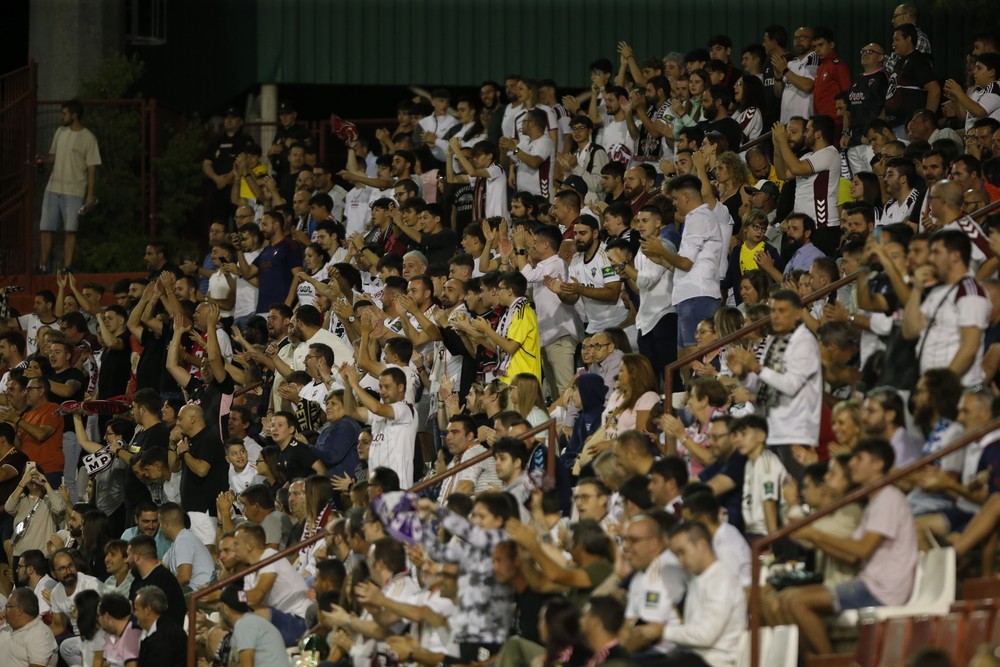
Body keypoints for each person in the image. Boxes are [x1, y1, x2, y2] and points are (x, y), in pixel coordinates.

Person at [783, 438, 917, 657]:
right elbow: (851, 557)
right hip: (871, 583)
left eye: (859, 458)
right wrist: (816, 539)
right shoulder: (877, 501)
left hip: (883, 590)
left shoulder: (888, 498)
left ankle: (832, 662)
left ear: (878, 464)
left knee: (796, 601)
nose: (852, 464)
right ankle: (818, 661)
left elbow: (862, 549)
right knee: (788, 599)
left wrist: (815, 534)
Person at [728, 290, 823, 475]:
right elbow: (761, 385)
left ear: (797, 313)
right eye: (773, 311)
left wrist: (756, 368)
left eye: (782, 311)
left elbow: (791, 386)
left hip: (796, 433)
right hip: (772, 429)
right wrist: (743, 376)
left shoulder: (804, 342)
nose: (776, 316)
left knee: (798, 494)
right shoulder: (773, 340)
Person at [903, 230, 990, 387]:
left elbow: (970, 347)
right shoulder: (938, 291)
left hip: (957, 389)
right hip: (932, 387)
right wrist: (916, 289)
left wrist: (940, 385)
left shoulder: (970, 292)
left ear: (955, 256)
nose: (931, 259)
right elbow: (910, 331)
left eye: (936, 252)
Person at [665, 522, 747, 667]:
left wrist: (662, 631)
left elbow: (705, 635)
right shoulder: (698, 578)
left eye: (682, 552)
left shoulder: (722, 578)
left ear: (702, 545)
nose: (680, 560)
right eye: (677, 554)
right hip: (694, 658)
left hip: (714, 662)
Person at [38, 100, 101, 274]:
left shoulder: (88, 137)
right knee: (46, 227)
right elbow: (53, 157)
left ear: (74, 115)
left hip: (74, 191)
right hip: (53, 188)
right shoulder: (60, 132)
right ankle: (42, 265)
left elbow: (92, 167)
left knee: (70, 230)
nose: (61, 117)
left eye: (65, 113)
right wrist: (42, 159)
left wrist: (90, 194)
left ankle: (67, 267)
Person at [339, 365, 417, 489]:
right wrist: (348, 385)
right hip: (375, 487)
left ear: (401, 387)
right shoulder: (378, 414)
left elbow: (376, 408)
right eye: (380, 387)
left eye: (387, 387)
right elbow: (350, 411)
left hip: (398, 487)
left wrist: (356, 385)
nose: (382, 392)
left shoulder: (406, 409)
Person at [772, 115, 842, 254]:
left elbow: (796, 168)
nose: (805, 134)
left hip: (822, 225)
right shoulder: (807, 157)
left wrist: (783, 141)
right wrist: (778, 146)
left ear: (818, 134)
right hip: (805, 226)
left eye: (808, 130)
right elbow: (783, 174)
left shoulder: (829, 153)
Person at [50, 548, 103, 667]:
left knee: (64, 646)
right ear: (53, 573)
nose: (68, 571)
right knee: (54, 646)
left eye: (71, 566)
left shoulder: (91, 585)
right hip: (79, 636)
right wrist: (38, 635)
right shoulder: (56, 593)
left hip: (99, 633)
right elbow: (59, 625)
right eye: (62, 568)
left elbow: (104, 619)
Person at [219, 584, 291, 667]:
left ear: (224, 607)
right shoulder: (247, 623)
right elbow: (234, 663)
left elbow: (247, 665)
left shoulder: (245, 625)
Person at [158, 503, 213, 591]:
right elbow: (162, 566)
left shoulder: (183, 539)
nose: (159, 528)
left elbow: (184, 578)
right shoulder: (177, 542)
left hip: (201, 591)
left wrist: (162, 588)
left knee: (161, 596)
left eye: (159, 523)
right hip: (193, 589)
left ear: (166, 524)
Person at [0, 587, 59, 667]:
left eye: (8, 606)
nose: (4, 610)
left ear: (19, 610)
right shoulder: (5, 630)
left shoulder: (39, 633)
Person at [134, 586, 187, 667]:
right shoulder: (150, 631)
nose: (135, 614)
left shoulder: (166, 636)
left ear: (148, 610)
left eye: (137, 609)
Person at [97, 593, 142, 667]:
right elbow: (106, 663)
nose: (99, 620)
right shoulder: (110, 632)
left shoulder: (133, 632)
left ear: (107, 616)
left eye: (99, 615)